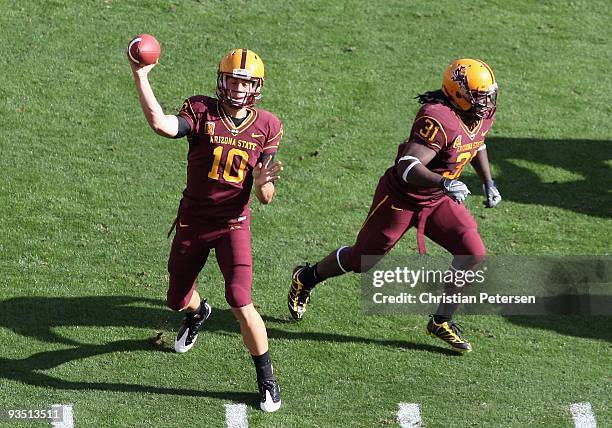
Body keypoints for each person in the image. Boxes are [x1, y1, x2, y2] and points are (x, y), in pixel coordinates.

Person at [288, 58, 501, 353]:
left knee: (472, 252)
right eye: (479, 95)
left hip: (436, 200)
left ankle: (442, 321)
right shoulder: (438, 118)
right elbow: (407, 165)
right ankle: (306, 277)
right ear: (458, 93)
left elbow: (476, 142)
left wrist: (488, 181)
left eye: (488, 94)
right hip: (401, 198)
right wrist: (444, 182)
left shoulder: (480, 113)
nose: (486, 101)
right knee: (363, 259)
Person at [129, 48, 283, 411]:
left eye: (245, 83)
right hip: (193, 221)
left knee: (240, 299)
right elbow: (162, 126)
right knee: (177, 299)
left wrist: (262, 181)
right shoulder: (201, 110)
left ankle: (267, 379)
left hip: (233, 223)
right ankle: (198, 313)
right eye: (232, 80)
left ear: (257, 87)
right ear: (221, 80)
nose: (238, 89)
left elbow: (266, 197)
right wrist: (141, 76)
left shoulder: (268, 125)